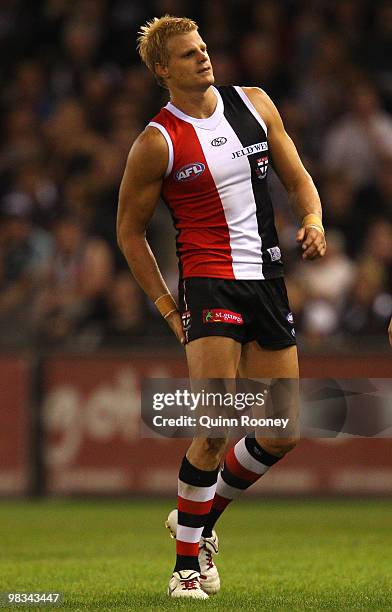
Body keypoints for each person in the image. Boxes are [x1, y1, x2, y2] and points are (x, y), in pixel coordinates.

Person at [117, 15, 326, 599]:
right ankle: (185, 570)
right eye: (187, 55)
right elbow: (129, 233)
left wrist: (312, 219)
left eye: (203, 48)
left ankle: (198, 519)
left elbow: (298, 178)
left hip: (267, 279)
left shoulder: (255, 104)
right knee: (213, 428)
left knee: (281, 433)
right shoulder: (156, 142)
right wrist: (166, 304)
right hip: (209, 286)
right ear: (163, 70)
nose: (203, 59)